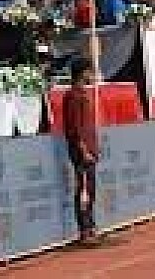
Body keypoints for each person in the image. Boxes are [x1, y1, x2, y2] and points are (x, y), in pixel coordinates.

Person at [63, 59, 102, 246]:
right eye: (90, 71)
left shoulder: (83, 93)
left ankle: (91, 226)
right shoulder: (72, 95)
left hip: (89, 149)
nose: (92, 75)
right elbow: (74, 127)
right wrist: (83, 149)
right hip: (81, 151)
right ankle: (84, 231)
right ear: (82, 73)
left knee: (90, 189)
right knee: (83, 189)